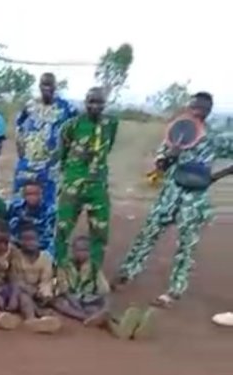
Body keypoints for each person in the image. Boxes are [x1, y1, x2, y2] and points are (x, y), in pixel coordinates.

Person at [117, 93, 233, 306]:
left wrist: (216, 176)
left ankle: (174, 291)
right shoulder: (177, 131)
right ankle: (127, 273)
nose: (197, 111)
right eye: (194, 106)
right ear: (189, 107)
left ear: (209, 110)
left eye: (202, 108)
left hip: (195, 198)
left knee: (187, 245)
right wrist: (171, 154)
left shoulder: (216, 137)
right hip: (170, 192)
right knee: (148, 233)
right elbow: (159, 166)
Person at [54, 87, 117, 267]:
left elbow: (107, 146)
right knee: (62, 228)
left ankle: (92, 273)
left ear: (105, 104)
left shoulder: (111, 124)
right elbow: (63, 153)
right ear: (85, 102)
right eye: (91, 102)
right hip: (73, 183)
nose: (95, 106)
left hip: (98, 186)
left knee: (100, 232)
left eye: (99, 102)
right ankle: (60, 270)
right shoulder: (72, 125)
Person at [56, 236, 155, 339]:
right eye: (79, 250)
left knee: (98, 309)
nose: (82, 253)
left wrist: (104, 306)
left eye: (85, 250)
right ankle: (131, 324)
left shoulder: (94, 268)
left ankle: (121, 325)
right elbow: (64, 290)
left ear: (90, 252)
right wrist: (75, 303)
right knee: (60, 303)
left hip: (90, 299)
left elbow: (105, 291)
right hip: (74, 299)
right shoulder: (64, 266)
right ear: (72, 250)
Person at [14, 73, 78, 212]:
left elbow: (77, 129)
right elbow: (18, 124)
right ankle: (20, 228)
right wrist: (19, 144)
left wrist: (68, 153)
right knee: (21, 199)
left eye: (50, 85)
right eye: (44, 84)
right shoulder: (30, 105)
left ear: (55, 87)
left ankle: (45, 231)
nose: (47, 88)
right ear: (39, 86)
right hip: (27, 163)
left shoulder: (66, 107)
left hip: (51, 165)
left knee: (48, 202)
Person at [15, 224, 61, 333]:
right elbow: (16, 279)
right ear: (20, 241)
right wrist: (28, 289)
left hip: (38, 292)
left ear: (39, 240)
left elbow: (46, 279)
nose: (29, 242)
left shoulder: (46, 257)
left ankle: (42, 314)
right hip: (21, 291)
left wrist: (42, 292)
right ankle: (31, 319)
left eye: (32, 239)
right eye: (25, 239)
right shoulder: (16, 256)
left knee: (53, 298)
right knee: (24, 297)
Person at [7, 180, 55, 256]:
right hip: (17, 245)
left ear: (41, 195)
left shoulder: (49, 211)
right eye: (29, 194)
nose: (32, 197)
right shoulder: (15, 208)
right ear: (24, 195)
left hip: (40, 249)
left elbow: (48, 237)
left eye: (36, 194)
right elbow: (8, 229)